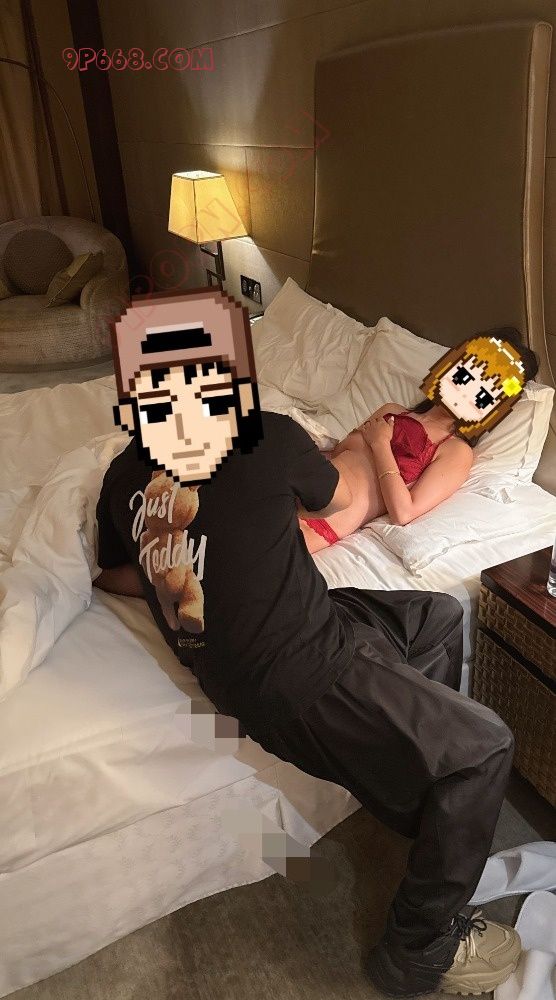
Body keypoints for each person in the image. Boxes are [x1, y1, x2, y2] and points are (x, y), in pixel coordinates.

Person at [94, 291, 521, 997]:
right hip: (304, 666)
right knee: (487, 748)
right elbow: (333, 501)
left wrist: (193, 565)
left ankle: (416, 777)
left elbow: (115, 575)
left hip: (252, 650)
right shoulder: (268, 434)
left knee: (438, 615)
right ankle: (416, 951)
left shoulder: (121, 476)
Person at [299, 328, 539, 553]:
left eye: (483, 391)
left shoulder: (456, 451)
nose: (467, 389)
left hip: (320, 522)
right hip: (298, 487)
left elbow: (404, 512)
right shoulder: (391, 410)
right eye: (466, 375)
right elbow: (340, 453)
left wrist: (381, 445)